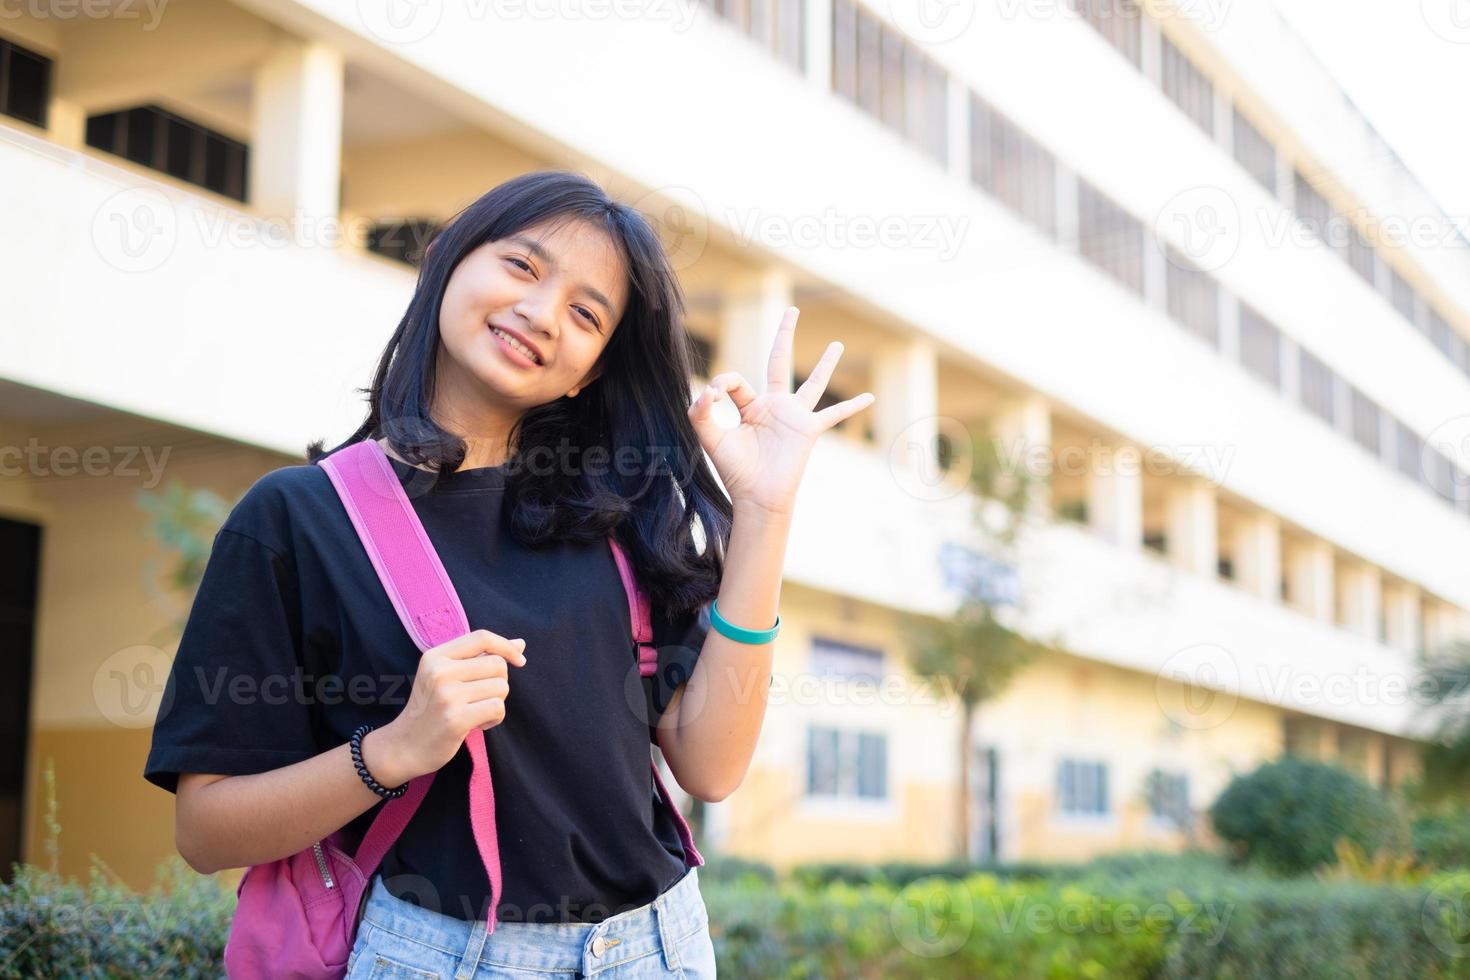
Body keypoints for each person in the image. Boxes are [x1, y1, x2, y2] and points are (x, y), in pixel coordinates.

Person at [143, 169, 875, 978]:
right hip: (437, 954)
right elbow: (205, 830)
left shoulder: (621, 512)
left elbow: (711, 766)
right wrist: (392, 750)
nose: (540, 312)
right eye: (523, 267)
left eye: (586, 313)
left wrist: (766, 513)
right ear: (450, 260)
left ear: (589, 370)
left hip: (659, 949)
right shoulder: (297, 521)